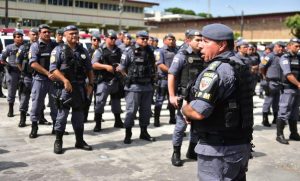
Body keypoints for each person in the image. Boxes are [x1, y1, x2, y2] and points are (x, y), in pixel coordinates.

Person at [182, 23, 253, 180]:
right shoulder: (241, 63)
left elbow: (198, 112)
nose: (201, 46)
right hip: (240, 145)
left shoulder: (217, 70)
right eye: (200, 41)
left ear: (222, 45)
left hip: (219, 151)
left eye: (206, 42)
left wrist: (185, 108)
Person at [50, 25, 94, 154]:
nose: (74, 36)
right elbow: (53, 69)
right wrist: (65, 80)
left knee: (79, 116)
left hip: (80, 88)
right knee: (62, 116)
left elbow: (89, 69)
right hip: (65, 89)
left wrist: (91, 84)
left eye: (76, 33)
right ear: (65, 36)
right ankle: (58, 141)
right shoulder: (58, 50)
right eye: (71, 34)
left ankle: (79, 141)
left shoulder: (83, 51)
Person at [168, 29, 204, 166]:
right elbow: (171, 75)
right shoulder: (181, 55)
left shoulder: (202, 55)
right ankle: (176, 152)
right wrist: (172, 96)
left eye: (202, 40)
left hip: (198, 97)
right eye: (197, 40)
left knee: (196, 126)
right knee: (181, 126)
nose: (200, 42)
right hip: (184, 97)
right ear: (188, 41)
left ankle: (192, 150)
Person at [118, 31, 156, 144]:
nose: (145, 40)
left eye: (146, 38)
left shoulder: (150, 50)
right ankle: (128, 133)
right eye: (142, 38)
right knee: (131, 111)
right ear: (137, 38)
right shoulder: (129, 51)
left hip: (147, 86)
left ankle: (144, 132)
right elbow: (121, 68)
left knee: (146, 111)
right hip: (134, 87)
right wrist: (127, 78)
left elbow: (153, 65)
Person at [28, 24, 58, 138]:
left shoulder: (55, 45)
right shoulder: (35, 46)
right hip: (40, 79)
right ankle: (34, 127)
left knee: (56, 104)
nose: (47, 33)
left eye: (48, 32)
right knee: (36, 104)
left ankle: (56, 127)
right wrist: (47, 73)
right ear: (40, 33)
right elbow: (33, 63)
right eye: (44, 32)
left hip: (54, 80)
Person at [92, 30, 124, 132]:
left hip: (116, 80)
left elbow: (124, 62)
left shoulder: (119, 50)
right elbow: (94, 64)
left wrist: (122, 68)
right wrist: (105, 66)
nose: (113, 40)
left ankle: (118, 121)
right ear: (105, 38)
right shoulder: (100, 51)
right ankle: (98, 123)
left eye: (115, 38)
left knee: (116, 102)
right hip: (104, 81)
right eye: (111, 38)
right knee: (100, 102)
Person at [276, 38, 300, 144]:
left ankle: (294, 133)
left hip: (297, 89)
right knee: (284, 111)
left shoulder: (298, 57)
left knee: (295, 112)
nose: (298, 48)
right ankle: (279, 135)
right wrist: (299, 84)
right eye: (296, 46)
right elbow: (288, 74)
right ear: (289, 46)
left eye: (299, 46)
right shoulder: (285, 57)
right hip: (288, 88)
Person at [153, 33, 178, 127]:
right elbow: (160, 64)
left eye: (173, 39)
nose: (171, 41)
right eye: (169, 39)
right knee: (159, 100)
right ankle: (156, 119)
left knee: (172, 100)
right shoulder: (160, 51)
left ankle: (172, 118)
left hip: (174, 80)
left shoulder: (177, 50)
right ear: (164, 41)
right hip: (163, 79)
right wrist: (172, 72)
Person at [16, 28, 38, 127]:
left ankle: (39, 117)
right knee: (25, 98)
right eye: (33, 34)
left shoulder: (41, 47)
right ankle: (23, 118)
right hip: (27, 77)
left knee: (38, 98)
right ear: (29, 35)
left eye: (37, 34)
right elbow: (18, 61)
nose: (35, 36)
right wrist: (23, 72)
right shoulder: (24, 47)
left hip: (38, 77)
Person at [259, 41, 285, 127]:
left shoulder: (283, 56)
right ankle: (265, 119)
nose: (281, 48)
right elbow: (261, 66)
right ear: (275, 47)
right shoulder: (269, 56)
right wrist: (264, 76)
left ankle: (275, 118)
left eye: (283, 47)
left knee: (277, 102)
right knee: (268, 100)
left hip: (280, 83)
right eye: (280, 46)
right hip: (270, 82)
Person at [0, 30, 23, 117]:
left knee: (23, 92)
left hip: (22, 73)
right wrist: (7, 65)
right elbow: (2, 59)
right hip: (12, 72)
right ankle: (11, 110)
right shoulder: (9, 47)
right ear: (14, 38)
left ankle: (23, 110)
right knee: (11, 91)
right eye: (18, 37)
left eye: (21, 36)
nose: (20, 38)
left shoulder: (24, 47)